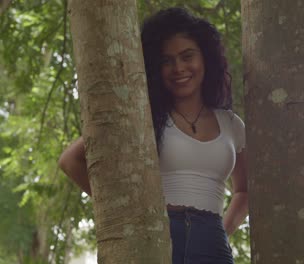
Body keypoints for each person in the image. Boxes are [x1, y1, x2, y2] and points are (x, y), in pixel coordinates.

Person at [58, 7, 248, 264]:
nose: (178, 68)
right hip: (153, 237)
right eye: (166, 61)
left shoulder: (231, 124)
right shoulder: (142, 116)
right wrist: (125, 214)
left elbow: (244, 191)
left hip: (213, 244)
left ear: (206, 58)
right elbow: (71, 161)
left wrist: (222, 232)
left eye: (187, 56)